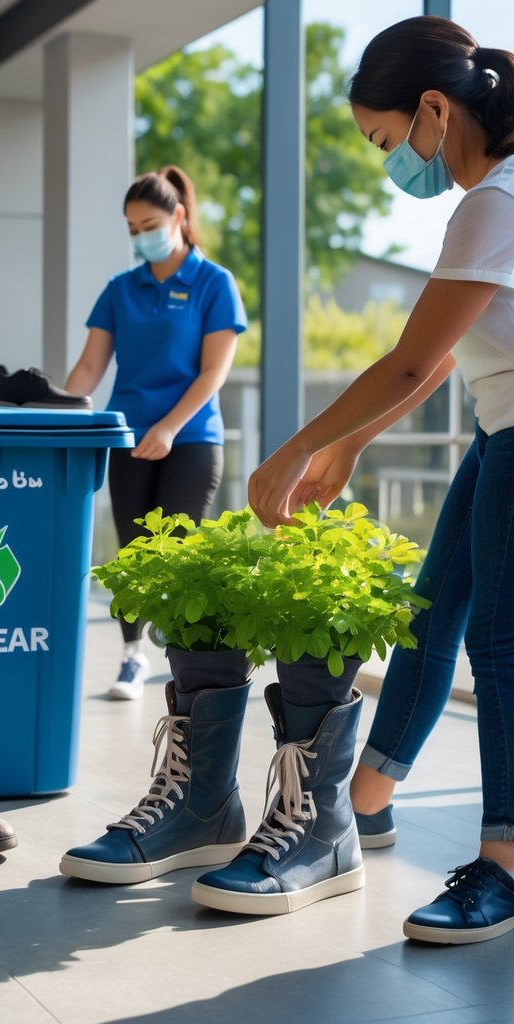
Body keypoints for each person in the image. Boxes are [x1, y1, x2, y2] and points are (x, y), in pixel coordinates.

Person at [247, 15, 514, 944]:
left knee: (497, 642)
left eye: (384, 139)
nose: (389, 162)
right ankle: (358, 805)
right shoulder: (489, 203)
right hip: (497, 425)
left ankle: (505, 864)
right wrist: (353, 444)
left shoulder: (495, 201)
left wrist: (293, 452)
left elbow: (405, 360)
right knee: (428, 616)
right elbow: (438, 359)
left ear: (435, 109)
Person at [64, 166, 247, 700]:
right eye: (132, 228)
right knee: (134, 554)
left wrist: (169, 426)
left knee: (175, 553)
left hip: (191, 437)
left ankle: (183, 655)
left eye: (149, 225)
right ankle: (131, 658)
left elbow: (213, 372)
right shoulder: (120, 290)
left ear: (178, 217)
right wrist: (55, 418)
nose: (142, 236)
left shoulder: (214, 283)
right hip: (129, 436)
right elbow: (89, 369)